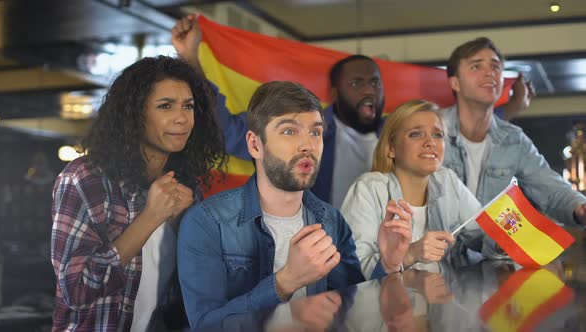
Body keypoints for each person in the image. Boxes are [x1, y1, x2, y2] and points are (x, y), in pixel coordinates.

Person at [171, 15, 532, 209]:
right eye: (357, 84)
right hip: (318, 254)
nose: (369, 90)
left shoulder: (399, 134)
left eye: (374, 82)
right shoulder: (308, 134)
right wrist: (191, 60)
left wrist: (508, 111)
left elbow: (456, 130)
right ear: (335, 93)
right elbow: (227, 133)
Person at [177, 81, 413, 330]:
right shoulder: (206, 221)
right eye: (290, 131)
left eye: (315, 132)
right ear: (255, 145)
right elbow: (204, 326)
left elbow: (352, 311)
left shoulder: (331, 221)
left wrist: (388, 265)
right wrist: (285, 282)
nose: (307, 145)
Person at [50, 56, 226, 331]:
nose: (182, 118)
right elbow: (77, 291)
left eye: (188, 106)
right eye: (165, 106)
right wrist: (151, 216)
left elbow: (197, 287)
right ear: (135, 114)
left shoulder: (187, 187)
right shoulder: (84, 179)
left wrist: (186, 225)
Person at [341, 100, 500, 279]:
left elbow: (482, 233)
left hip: (439, 303)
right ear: (391, 148)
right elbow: (353, 271)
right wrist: (410, 254)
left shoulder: (447, 180)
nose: (430, 142)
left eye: (438, 135)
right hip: (383, 305)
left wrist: (500, 244)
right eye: (416, 134)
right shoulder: (367, 189)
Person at [443, 37, 586, 224]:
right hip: (436, 251)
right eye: (476, 66)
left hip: (491, 251)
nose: (489, 73)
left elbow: (551, 188)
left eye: (495, 67)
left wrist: (580, 208)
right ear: (455, 83)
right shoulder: (430, 129)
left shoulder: (514, 139)